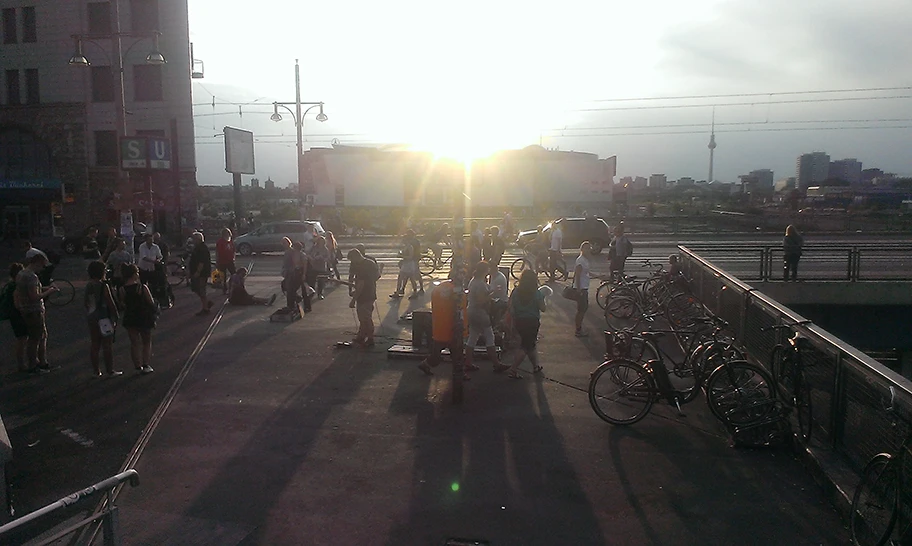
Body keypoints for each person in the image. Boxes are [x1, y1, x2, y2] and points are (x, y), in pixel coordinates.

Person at [463, 261, 509, 377]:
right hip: (480, 313)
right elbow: (481, 300)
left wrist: (491, 291)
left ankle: (468, 362)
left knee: (473, 336)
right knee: (489, 336)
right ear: (484, 270)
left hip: (471, 311)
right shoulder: (480, 283)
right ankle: (496, 363)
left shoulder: (473, 281)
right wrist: (492, 295)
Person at [15, 253, 58, 373]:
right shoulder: (32, 277)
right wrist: (49, 291)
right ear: (37, 263)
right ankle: (34, 364)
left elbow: (24, 291)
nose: (43, 269)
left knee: (36, 337)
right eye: (42, 266)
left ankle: (38, 362)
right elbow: (34, 296)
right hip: (34, 310)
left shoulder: (21, 274)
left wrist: (45, 288)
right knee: (36, 338)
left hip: (25, 309)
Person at [508, 269, 547, 378]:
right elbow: (543, 308)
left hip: (519, 321)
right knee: (525, 346)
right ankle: (513, 369)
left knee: (530, 344)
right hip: (532, 322)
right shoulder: (536, 293)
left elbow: (511, 307)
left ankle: (535, 366)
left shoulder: (515, 291)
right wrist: (543, 298)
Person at [85, 261, 121, 376]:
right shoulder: (103, 285)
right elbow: (110, 301)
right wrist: (115, 315)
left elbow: (86, 302)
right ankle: (110, 370)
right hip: (104, 316)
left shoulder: (89, 285)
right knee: (107, 344)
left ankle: (96, 371)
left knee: (95, 343)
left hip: (92, 315)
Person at [119, 264, 155, 374]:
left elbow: (122, 304)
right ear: (134, 274)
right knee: (146, 341)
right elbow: (151, 302)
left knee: (134, 343)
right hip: (143, 316)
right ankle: (146, 364)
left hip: (130, 317)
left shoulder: (122, 289)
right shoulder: (142, 287)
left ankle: (137, 366)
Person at [348, 248, 380, 347]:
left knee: (365, 318)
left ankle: (370, 339)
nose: (352, 263)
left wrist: (353, 299)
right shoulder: (371, 262)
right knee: (364, 317)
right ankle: (361, 336)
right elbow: (377, 276)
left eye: (352, 260)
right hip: (371, 292)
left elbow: (361, 284)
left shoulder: (361, 267)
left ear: (355, 257)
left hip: (364, 295)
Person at [3, 263, 29, 372]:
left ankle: (21, 363)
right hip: (17, 315)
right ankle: (21, 364)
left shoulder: (9, 285)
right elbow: (17, 304)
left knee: (21, 339)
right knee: (22, 339)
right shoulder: (16, 286)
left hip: (11, 314)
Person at [188, 232, 214, 316]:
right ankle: (206, 303)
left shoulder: (202, 248)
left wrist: (198, 272)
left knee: (201, 289)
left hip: (201, 273)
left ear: (198, 239)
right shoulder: (198, 247)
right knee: (196, 288)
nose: (193, 241)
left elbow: (201, 262)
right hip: (198, 272)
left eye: (194, 239)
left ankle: (205, 308)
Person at [573, 242, 593, 338]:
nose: (588, 250)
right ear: (581, 249)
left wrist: (598, 276)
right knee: (581, 310)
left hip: (584, 287)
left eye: (589, 248)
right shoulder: (580, 260)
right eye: (586, 248)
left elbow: (586, 273)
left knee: (583, 309)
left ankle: (579, 328)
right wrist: (579, 289)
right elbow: (578, 275)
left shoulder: (585, 260)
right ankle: (578, 329)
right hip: (582, 289)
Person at [282, 238, 307, 312]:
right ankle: (293, 303)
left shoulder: (296, 253)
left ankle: (292, 305)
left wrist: (303, 274)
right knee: (288, 288)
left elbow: (302, 264)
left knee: (290, 289)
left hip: (295, 273)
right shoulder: (291, 252)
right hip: (291, 273)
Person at [215, 228, 237, 295]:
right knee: (223, 276)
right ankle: (224, 289)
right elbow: (218, 252)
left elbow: (233, 250)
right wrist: (217, 260)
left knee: (234, 274)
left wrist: (233, 257)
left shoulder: (230, 241)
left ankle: (234, 287)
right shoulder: (220, 241)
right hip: (222, 261)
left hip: (230, 260)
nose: (228, 235)